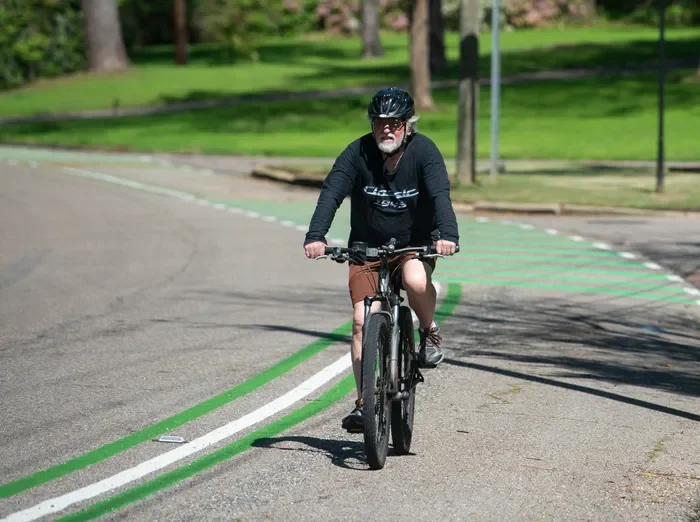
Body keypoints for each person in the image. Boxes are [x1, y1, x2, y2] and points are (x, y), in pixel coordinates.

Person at [303, 87, 459, 433]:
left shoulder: (425, 152)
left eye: (395, 123)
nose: (386, 130)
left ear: (407, 126)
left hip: (413, 243)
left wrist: (448, 235)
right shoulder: (357, 152)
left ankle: (429, 332)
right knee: (361, 321)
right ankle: (364, 403)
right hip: (366, 247)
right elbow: (332, 191)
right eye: (380, 123)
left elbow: (439, 194)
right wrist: (316, 235)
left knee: (417, 281)